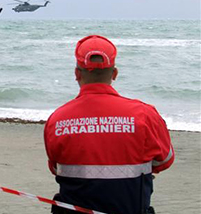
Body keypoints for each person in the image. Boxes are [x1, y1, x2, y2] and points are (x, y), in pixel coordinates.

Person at [44, 35, 174, 214]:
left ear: (77, 74)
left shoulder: (57, 120)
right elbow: (164, 160)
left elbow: (55, 167)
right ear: (114, 74)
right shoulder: (144, 115)